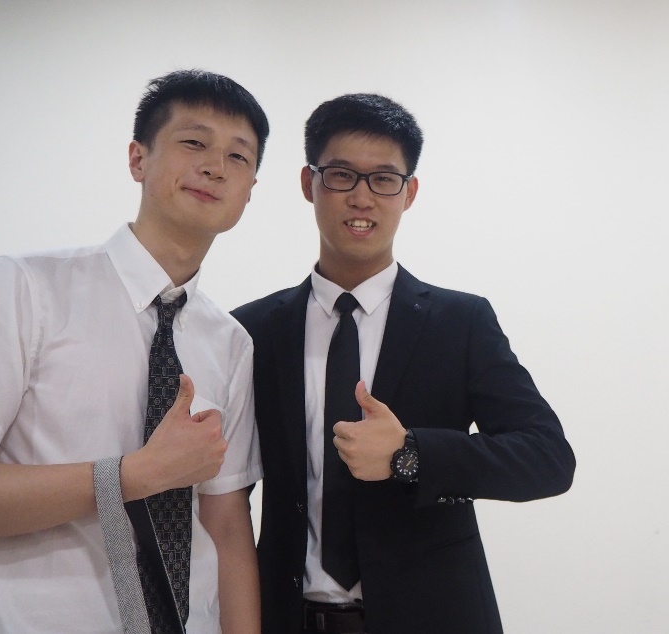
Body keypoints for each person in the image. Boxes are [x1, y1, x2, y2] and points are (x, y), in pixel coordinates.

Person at [0, 69, 268, 633]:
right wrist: (129, 476)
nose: (216, 166)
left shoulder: (229, 342)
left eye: (238, 156)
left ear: (250, 189)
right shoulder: (27, 287)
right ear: (138, 159)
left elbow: (228, 528)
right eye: (194, 142)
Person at [232, 93, 576, 634]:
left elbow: (548, 458)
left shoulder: (460, 322)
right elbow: (228, 499)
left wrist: (409, 453)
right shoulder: (252, 331)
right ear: (308, 183)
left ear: (409, 192)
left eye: (384, 179)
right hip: (289, 619)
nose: (362, 197)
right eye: (341, 175)